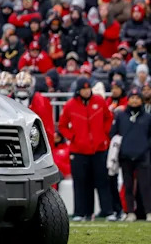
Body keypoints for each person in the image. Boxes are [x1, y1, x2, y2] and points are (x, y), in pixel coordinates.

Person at [58, 77, 114, 221]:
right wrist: (73, 137)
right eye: (83, 89)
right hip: (78, 151)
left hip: (99, 149)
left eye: (88, 88)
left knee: (102, 181)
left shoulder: (100, 102)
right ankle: (80, 213)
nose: (86, 91)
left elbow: (108, 118)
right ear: (78, 90)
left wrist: (104, 134)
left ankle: (108, 211)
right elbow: (62, 125)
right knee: (81, 182)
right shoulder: (70, 105)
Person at [111, 87, 151, 222]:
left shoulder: (147, 117)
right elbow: (114, 134)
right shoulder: (121, 116)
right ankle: (129, 212)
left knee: (145, 186)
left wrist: (145, 148)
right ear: (128, 100)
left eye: (137, 98)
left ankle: (148, 212)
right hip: (125, 156)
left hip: (143, 156)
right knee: (127, 186)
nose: (134, 100)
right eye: (132, 98)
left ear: (141, 100)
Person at [13, 70, 55, 144]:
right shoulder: (8, 99)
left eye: (24, 87)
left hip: (35, 138)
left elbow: (47, 128)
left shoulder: (41, 101)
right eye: (19, 87)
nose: (21, 89)